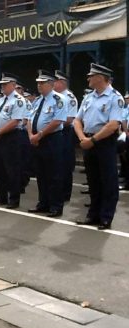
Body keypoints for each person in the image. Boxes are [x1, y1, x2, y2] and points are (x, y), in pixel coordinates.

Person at [74, 63, 124, 230]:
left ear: (101, 78)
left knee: (108, 181)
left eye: (91, 76)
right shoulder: (89, 97)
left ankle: (105, 217)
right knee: (93, 181)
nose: (88, 78)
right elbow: (77, 120)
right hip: (88, 141)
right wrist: (82, 138)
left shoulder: (114, 97)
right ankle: (93, 215)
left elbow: (113, 124)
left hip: (104, 143)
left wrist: (93, 140)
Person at [27, 70, 67, 217]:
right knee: (41, 173)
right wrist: (31, 135)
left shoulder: (59, 99)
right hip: (37, 139)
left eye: (42, 83)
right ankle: (43, 203)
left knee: (54, 174)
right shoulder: (38, 100)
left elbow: (57, 121)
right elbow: (29, 119)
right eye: (38, 83)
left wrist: (40, 135)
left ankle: (56, 206)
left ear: (51, 84)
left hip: (52, 139)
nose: (39, 86)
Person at [0, 73, 26, 209]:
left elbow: (15, 121)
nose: (2, 87)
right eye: (2, 84)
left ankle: (14, 199)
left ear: (13, 85)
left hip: (10, 137)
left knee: (12, 169)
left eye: (5, 84)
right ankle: (1, 196)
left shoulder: (18, 100)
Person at [54, 70, 78, 201]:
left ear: (62, 82)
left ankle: (65, 193)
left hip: (65, 131)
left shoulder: (70, 98)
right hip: (55, 131)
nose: (53, 84)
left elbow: (69, 119)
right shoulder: (54, 97)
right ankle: (57, 191)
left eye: (55, 81)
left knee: (65, 163)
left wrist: (53, 122)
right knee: (56, 163)